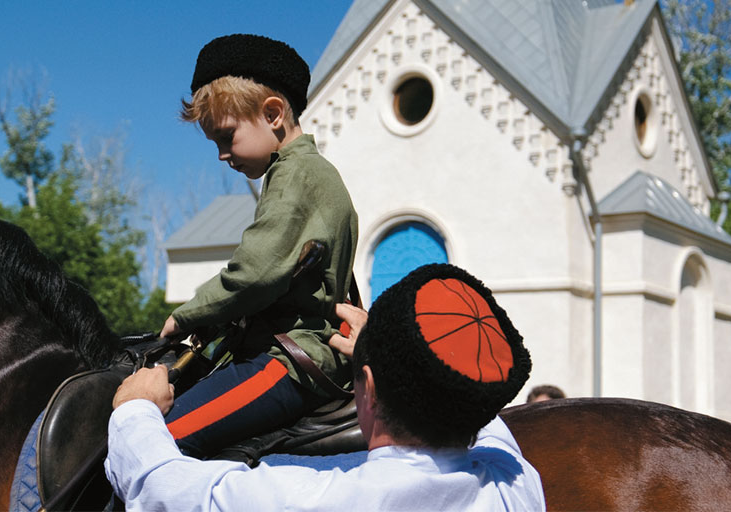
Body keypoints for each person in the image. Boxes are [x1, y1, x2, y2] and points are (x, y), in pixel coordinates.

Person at [106, 264, 545, 511]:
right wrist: (388, 352)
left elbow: (161, 487)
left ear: (368, 389)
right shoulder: (517, 486)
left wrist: (135, 408)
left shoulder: (318, 501)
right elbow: (489, 425)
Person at [157, 33, 359, 457]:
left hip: (289, 361)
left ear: (272, 114)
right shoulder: (304, 174)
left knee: (155, 443)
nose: (221, 155)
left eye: (226, 137)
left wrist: (186, 316)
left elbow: (256, 272)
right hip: (284, 351)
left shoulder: (298, 175)